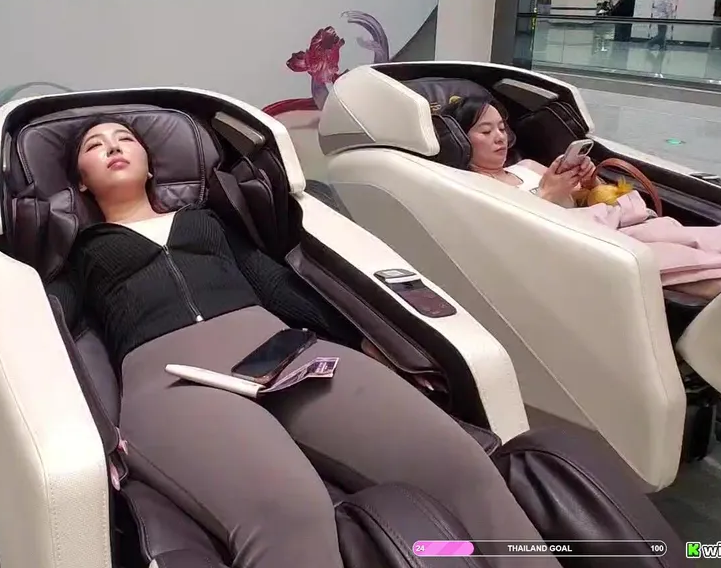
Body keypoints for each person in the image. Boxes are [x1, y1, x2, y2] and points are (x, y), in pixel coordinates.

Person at [51, 116, 559, 568]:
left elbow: (274, 285)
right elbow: (57, 324)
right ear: (81, 181)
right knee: (291, 514)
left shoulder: (205, 221)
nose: (112, 146)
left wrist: (361, 341)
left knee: (456, 461)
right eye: (95, 145)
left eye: (125, 138)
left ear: (149, 163)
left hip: (281, 347)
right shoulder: (82, 251)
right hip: (170, 381)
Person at [442, 96, 721, 300]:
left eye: (502, 128)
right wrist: (547, 195)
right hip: (593, 252)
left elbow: (592, 203)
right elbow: (511, 239)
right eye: (485, 131)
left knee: (708, 237)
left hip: (620, 230)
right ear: (461, 139)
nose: (500, 137)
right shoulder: (470, 186)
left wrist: (586, 182)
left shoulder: (530, 167)